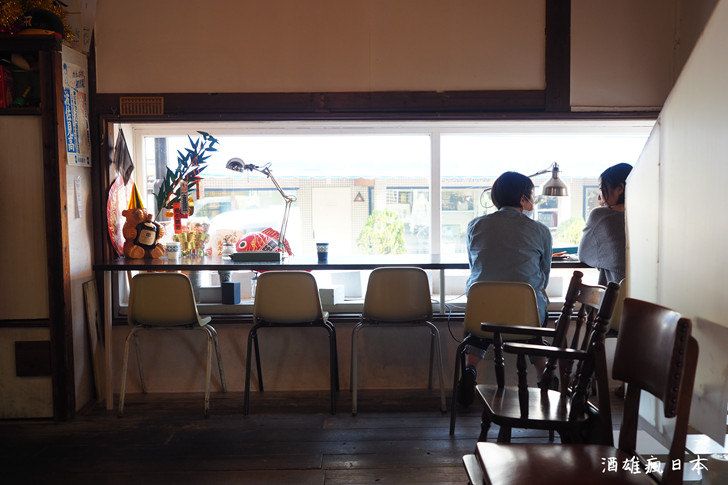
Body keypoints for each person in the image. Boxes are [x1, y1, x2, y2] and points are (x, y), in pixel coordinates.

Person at [457, 171, 553, 407]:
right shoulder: (540, 231)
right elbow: (544, 276)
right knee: (534, 323)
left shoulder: (475, 226)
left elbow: (474, 267)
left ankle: (469, 370)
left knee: (480, 329)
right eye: (531, 195)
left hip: (482, 313)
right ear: (523, 198)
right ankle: (544, 374)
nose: (533, 200)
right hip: (525, 315)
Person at [578, 163, 633, 285]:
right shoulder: (648, 216)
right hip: (645, 294)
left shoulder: (601, 216)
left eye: (602, 189)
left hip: (616, 293)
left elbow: (583, 254)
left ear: (620, 188)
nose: (599, 197)